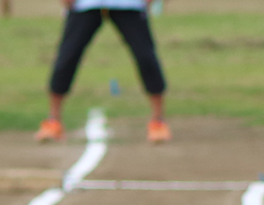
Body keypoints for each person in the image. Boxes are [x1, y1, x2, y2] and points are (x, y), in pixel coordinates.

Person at [37, 0, 170, 144]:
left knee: (146, 57)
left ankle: (158, 121)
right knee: (67, 57)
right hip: (86, 4)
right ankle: (53, 120)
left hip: (128, 4)